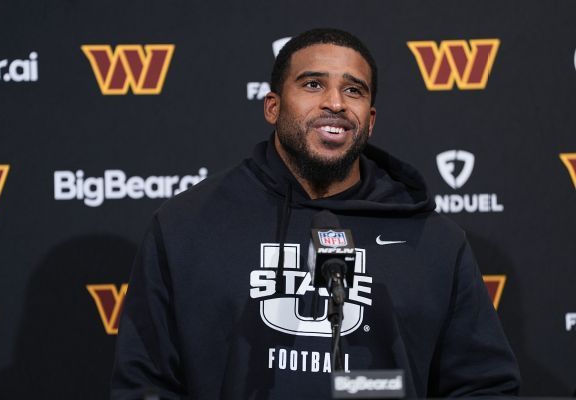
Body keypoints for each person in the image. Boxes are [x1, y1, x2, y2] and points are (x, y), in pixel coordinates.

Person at [111, 28, 520, 399]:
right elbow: (145, 384)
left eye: (354, 90)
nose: (335, 103)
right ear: (273, 107)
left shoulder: (433, 240)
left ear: (370, 121)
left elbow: (484, 386)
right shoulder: (187, 226)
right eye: (313, 84)